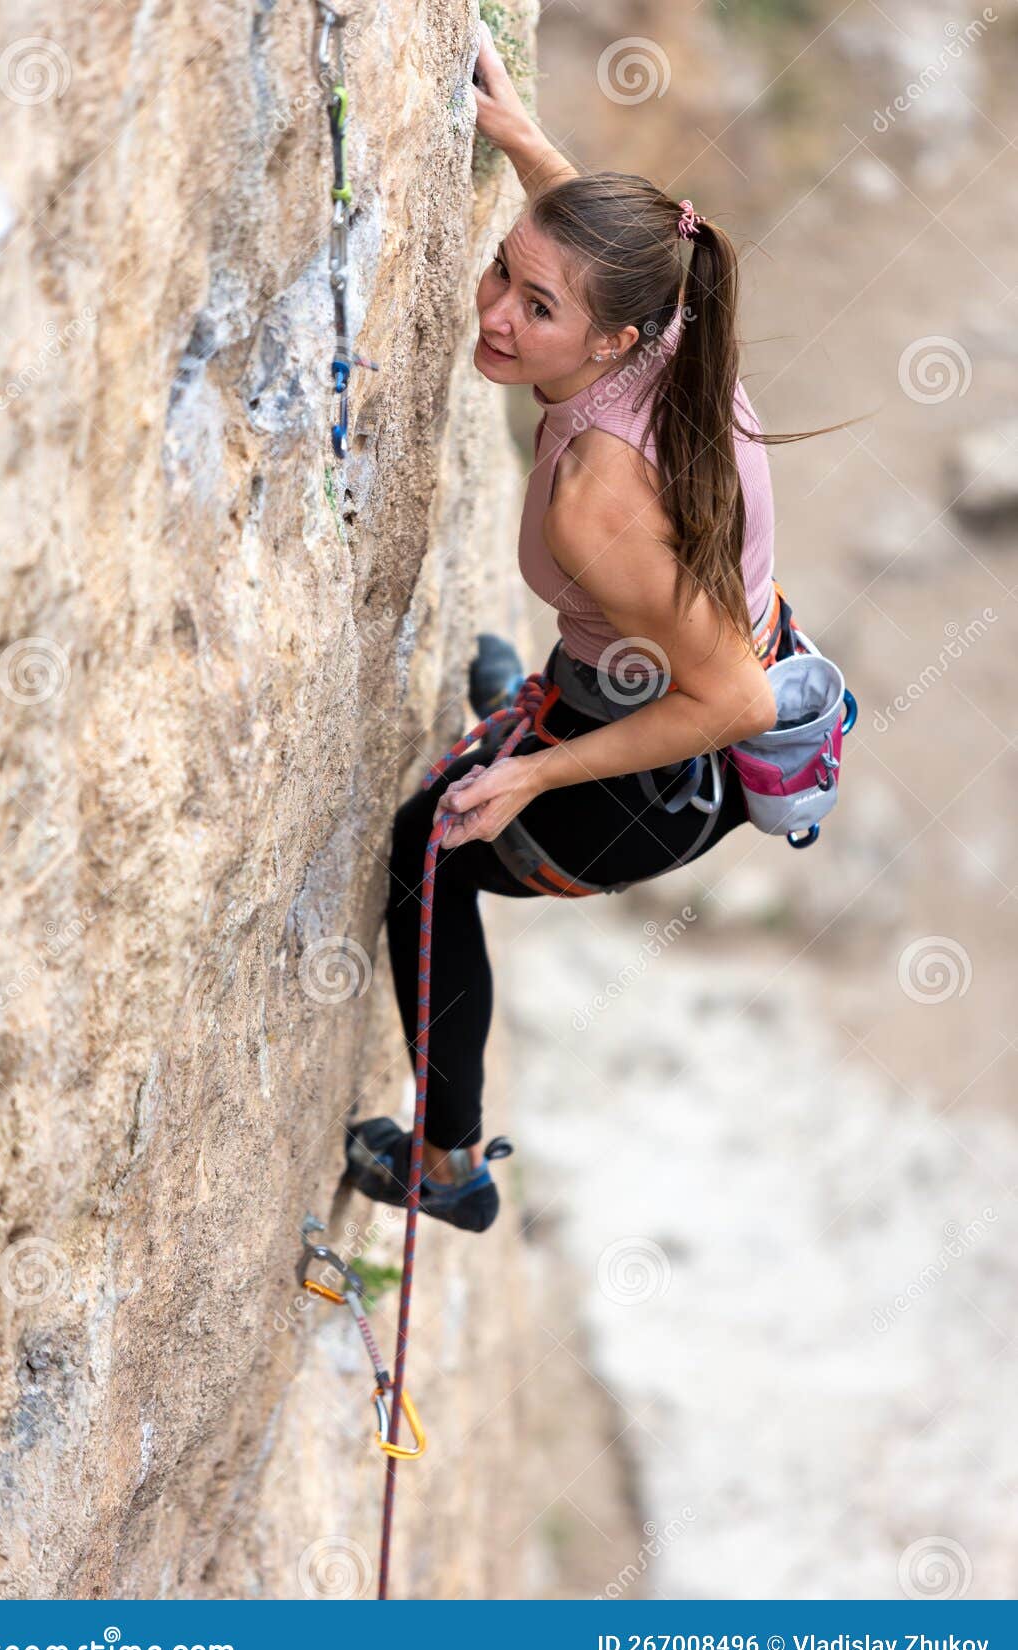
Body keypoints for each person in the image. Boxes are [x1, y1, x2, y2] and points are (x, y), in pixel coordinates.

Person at [344, 21, 848, 1232]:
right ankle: (532, 711)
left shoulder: (593, 501)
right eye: (502, 275)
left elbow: (723, 702)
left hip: (669, 773)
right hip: (677, 672)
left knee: (426, 857)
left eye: (537, 307)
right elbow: (582, 241)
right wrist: (518, 133)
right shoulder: (667, 318)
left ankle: (450, 1164)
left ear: (613, 339)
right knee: (527, 729)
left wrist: (534, 778)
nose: (498, 317)